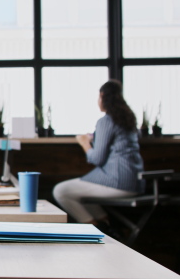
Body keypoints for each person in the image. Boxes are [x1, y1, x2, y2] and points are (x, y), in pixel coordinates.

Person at [53, 79, 145, 227]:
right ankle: (105, 226)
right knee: (79, 195)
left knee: (61, 191)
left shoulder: (106, 121)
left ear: (102, 96)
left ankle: (94, 229)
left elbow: (97, 159)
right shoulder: (129, 120)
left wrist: (84, 142)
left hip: (117, 181)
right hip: (136, 182)